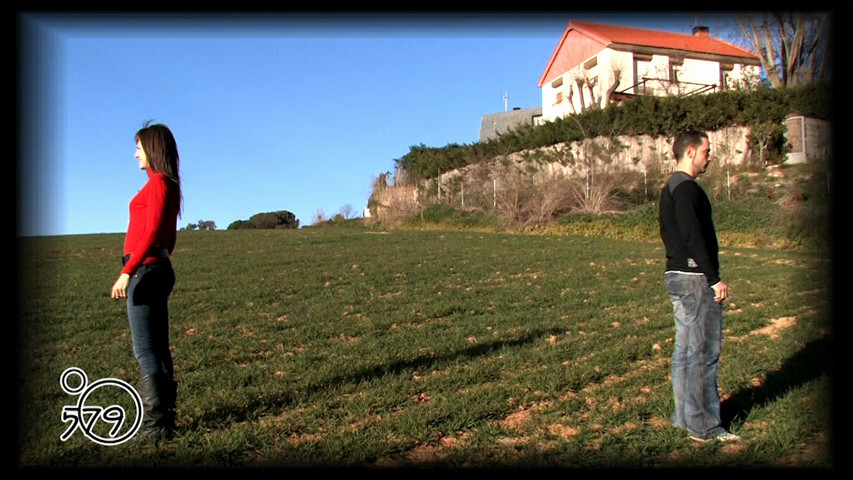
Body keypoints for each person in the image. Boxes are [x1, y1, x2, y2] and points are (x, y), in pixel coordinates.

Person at [658, 130, 740, 443]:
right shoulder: (687, 189)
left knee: (685, 351)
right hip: (694, 279)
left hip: (677, 274)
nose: (710, 156)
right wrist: (713, 276)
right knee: (703, 351)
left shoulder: (671, 187)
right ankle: (704, 425)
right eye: (706, 151)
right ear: (690, 152)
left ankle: (684, 417)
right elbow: (693, 235)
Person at [110, 121, 182, 439]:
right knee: (158, 348)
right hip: (158, 268)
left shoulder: (157, 184)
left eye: (138, 147)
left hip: (144, 271)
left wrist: (128, 271)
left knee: (146, 349)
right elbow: (169, 236)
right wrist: (160, 259)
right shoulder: (168, 184)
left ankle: (154, 426)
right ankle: (165, 421)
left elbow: (153, 232)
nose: (135, 154)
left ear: (151, 149)